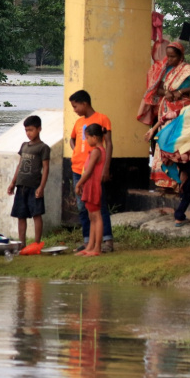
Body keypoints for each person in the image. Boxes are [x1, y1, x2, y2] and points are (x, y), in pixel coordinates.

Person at [144, 42, 190, 191]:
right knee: (163, 142)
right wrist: (165, 93)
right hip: (166, 111)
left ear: (181, 56)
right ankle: (164, 181)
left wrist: (181, 92)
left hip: (181, 112)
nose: (170, 59)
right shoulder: (166, 70)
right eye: (168, 56)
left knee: (177, 145)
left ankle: (178, 182)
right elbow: (158, 89)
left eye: (173, 57)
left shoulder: (188, 70)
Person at [69, 90, 114, 253]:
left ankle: (106, 240)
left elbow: (108, 143)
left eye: (75, 106)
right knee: (83, 206)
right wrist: (76, 151)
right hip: (78, 168)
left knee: (99, 206)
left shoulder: (102, 119)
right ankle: (88, 240)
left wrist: (106, 167)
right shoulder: (79, 123)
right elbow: (72, 138)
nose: (74, 110)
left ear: (84, 103)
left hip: (94, 170)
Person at [7, 115, 50, 247]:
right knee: (21, 215)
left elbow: (46, 168)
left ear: (39, 129)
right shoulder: (24, 146)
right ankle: (22, 243)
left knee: (36, 214)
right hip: (21, 185)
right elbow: (19, 165)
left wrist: (41, 187)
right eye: (26, 130)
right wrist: (13, 183)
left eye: (31, 130)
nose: (28, 133)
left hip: (34, 186)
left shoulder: (43, 147)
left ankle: (36, 243)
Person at [155, 104, 190, 227]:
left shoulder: (186, 109)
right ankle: (179, 216)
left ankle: (180, 213)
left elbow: (166, 116)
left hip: (180, 153)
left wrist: (153, 130)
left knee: (186, 180)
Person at [74, 124, 107, 257]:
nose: (87, 141)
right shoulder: (98, 150)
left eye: (87, 138)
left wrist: (78, 184)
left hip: (93, 185)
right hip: (90, 185)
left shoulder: (97, 151)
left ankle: (97, 247)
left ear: (94, 137)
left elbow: (88, 172)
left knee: (96, 216)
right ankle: (90, 246)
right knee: (91, 216)